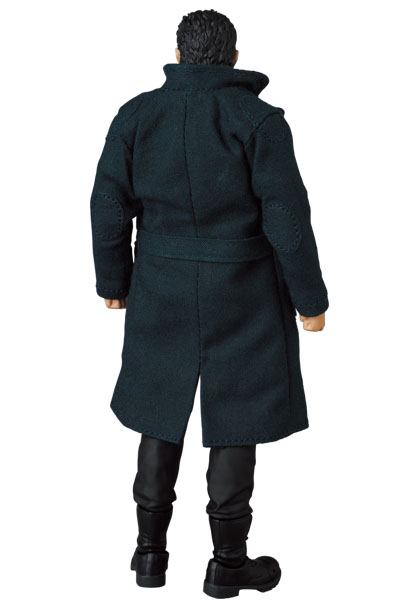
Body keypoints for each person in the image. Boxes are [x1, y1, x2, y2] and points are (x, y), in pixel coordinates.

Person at [90, 8, 328, 599]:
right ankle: (228, 564)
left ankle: (149, 554)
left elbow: (108, 205)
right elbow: (287, 217)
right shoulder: (259, 120)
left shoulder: (136, 115)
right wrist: (310, 299)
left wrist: (113, 280)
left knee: (158, 410)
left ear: (178, 54)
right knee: (237, 418)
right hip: (242, 292)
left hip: (161, 286)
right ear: (234, 58)